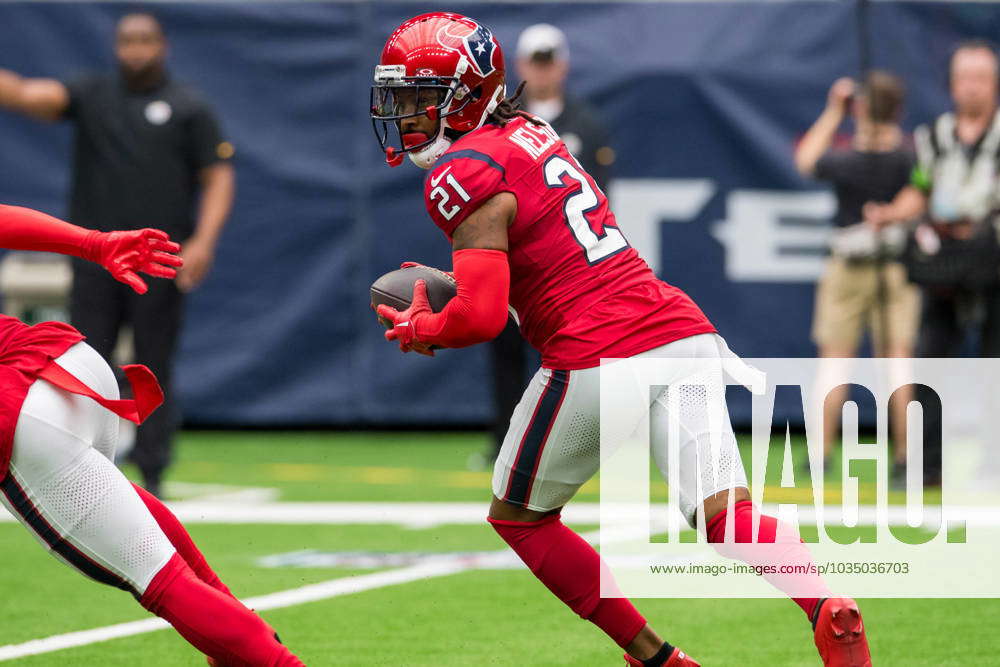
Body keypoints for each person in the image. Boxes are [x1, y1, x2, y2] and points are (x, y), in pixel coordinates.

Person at [370, 12, 871, 667]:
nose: (404, 114)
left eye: (416, 98)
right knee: (727, 514)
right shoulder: (532, 131)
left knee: (519, 516)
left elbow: (484, 316)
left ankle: (657, 658)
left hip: (596, 351)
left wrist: (424, 325)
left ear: (461, 95)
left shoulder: (460, 172)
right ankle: (825, 606)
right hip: (675, 328)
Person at [0, 205, 303, 666]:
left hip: (23, 409)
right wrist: (93, 243)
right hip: (65, 360)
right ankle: (239, 639)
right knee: (135, 528)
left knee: (157, 581)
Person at [0, 12, 235, 497]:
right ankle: (77, 464)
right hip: (95, 260)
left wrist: (203, 242)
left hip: (157, 259)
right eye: (127, 40)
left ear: (163, 45)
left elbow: (218, 176)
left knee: (154, 364)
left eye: (145, 40)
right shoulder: (92, 95)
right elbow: (25, 94)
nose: (136, 49)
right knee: (83, 359)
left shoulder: (188, 106)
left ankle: (152, 470)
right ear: (115, 46)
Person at [476, 22, 618, 469]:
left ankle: (569, 446)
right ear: (519, 67)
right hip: (512, 256)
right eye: (535, 62)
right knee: (505, 353)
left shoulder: (585, 124)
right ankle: (506, 440)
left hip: (564, 266)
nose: (541, 71)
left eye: (548, 61)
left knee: (570, 353)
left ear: (563, 65)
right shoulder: (501, 123)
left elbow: (599, 194)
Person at [864, 40, 1000, 487]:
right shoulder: (935, 137)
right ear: (952, 84)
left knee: (993, 362)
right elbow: (919, 190)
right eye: (965, 79)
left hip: (993, 252)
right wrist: (890, 213)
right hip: (943, 257)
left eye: (982, 78)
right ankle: (927, 464)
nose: (973, 88)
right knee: (931, 360)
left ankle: (992, 460)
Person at [795, 72, 918, 486]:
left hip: (848, 268)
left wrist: (835, 111)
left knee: (834, 364)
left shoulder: (847, 160)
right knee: (898, 363)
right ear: (898, 111)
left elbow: (806, 159)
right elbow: (922, 187)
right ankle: (905, 460)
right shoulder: (908, 159)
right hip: (896, 267)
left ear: (861, 109)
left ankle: (819, 456)